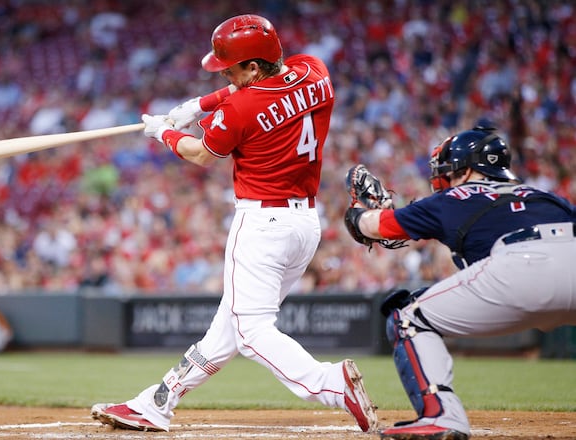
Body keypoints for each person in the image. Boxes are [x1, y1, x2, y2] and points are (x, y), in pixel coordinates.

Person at [91, 14, 378, 433]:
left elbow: (203, 153)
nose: (225, 73)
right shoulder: (314, 70)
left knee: (251, 331)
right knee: (228, 328)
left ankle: (331, 385)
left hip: (262, 223)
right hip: (304, 225)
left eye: (232, 67)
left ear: (254, 67)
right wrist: (201, 105)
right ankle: (157, 402)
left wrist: (164, 133)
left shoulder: (241, 107)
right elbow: (259, 89)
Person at [343, 126, 575, 440]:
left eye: (449, 171)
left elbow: (378, 225)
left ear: (466, 170)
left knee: (407, 316)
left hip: (519, 265)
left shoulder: (454, 198)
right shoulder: (546, 197)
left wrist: (357, 212)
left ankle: (441, 416)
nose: (445, 178)